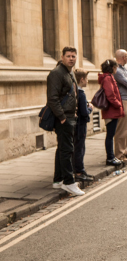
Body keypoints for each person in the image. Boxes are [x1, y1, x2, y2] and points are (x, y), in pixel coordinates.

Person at [48, 47, 84, 196]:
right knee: (67, 150)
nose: (71, 58)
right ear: (62, 57)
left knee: (62, 148)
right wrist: (62, 117)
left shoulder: (69, 73)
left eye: (73, 56)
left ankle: (58, 180)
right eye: (68, 56)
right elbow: (52, 98)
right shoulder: (56, 73)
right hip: (64, 118)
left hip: (69, 116)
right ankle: (69, 183)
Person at [98, 59, 125, 168]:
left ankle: (111, 156)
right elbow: (110, 95)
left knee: (111, 134)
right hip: (111, 110)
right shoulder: (108, 78)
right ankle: (110, 158)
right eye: (116, 67)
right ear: (112, 68)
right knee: (110, 135)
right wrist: (118, 105)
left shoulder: (108, 77)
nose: (117, 69)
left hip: (111, 110)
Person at [113, 49, 127, 163]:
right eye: (126, 56)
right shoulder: (117, 70)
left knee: (126, 128)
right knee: (122, 128)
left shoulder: (124, 69)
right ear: (122, 57)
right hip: (122, 100)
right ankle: (119, 153)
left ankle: (124, 150)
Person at [73, 69, 94, 182]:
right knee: (80, 148)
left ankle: (78, 169)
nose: (87, 81)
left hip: (76, 124)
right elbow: (84, 112)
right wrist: (90, 108)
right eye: (86, 79)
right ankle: (79, 171)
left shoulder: (75, 92)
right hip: (81, 125)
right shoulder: (81, 94)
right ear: (82, 80)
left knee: (77, 147)